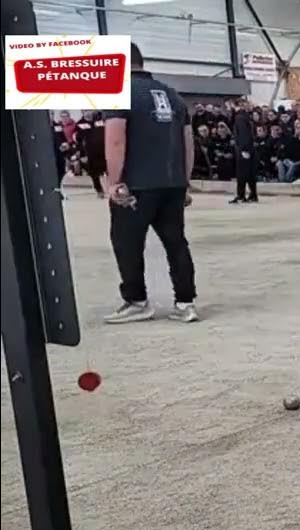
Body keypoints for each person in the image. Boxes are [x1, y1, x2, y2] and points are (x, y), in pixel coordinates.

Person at [101, 43, 199, 324]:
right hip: (172, 184)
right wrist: (185, 182)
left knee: (126, 243)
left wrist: (115, 182)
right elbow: (188, 142)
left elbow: (116, 139)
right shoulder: (174, 96)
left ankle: (136, 300)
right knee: (176, 242)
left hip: (137, 186)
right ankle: (185, 303)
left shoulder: (119, 93)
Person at [230, 100, 258, 203]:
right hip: (249, 147)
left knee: (242, 173)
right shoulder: (246, 116)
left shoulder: (239, 117)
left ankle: (241, 195)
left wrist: (244, 149)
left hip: (243, 148)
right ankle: (253, 194)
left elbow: (243, 134)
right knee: (250, 173)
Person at [75, 110, 107, 197]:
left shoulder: (101, 119)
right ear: (82, 112)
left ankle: (114, 189)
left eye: (89, 110)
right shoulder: (80, 124)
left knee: (109, 170)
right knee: (94, 173)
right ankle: (99, 191)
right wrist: (82, 155)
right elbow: (79, 141)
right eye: (85, 110)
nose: (88, 113)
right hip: (91, 152)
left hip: (105, 149)